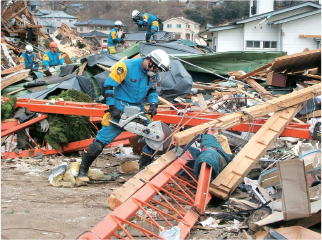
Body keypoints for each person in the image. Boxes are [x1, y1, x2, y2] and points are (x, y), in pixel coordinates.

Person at [78, 49, 170, 181]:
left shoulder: (152, 73)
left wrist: (154, 104)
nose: (156, 73)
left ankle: (143, 173)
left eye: (158, 71)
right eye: (156, 69)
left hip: (138, 110)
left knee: (154, 138)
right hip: (119, 109)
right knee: (100, 142)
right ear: (150, 61)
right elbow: (108, 86)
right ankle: (83, 171)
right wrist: (112, 107)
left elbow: (152, 90)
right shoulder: (125, 67)